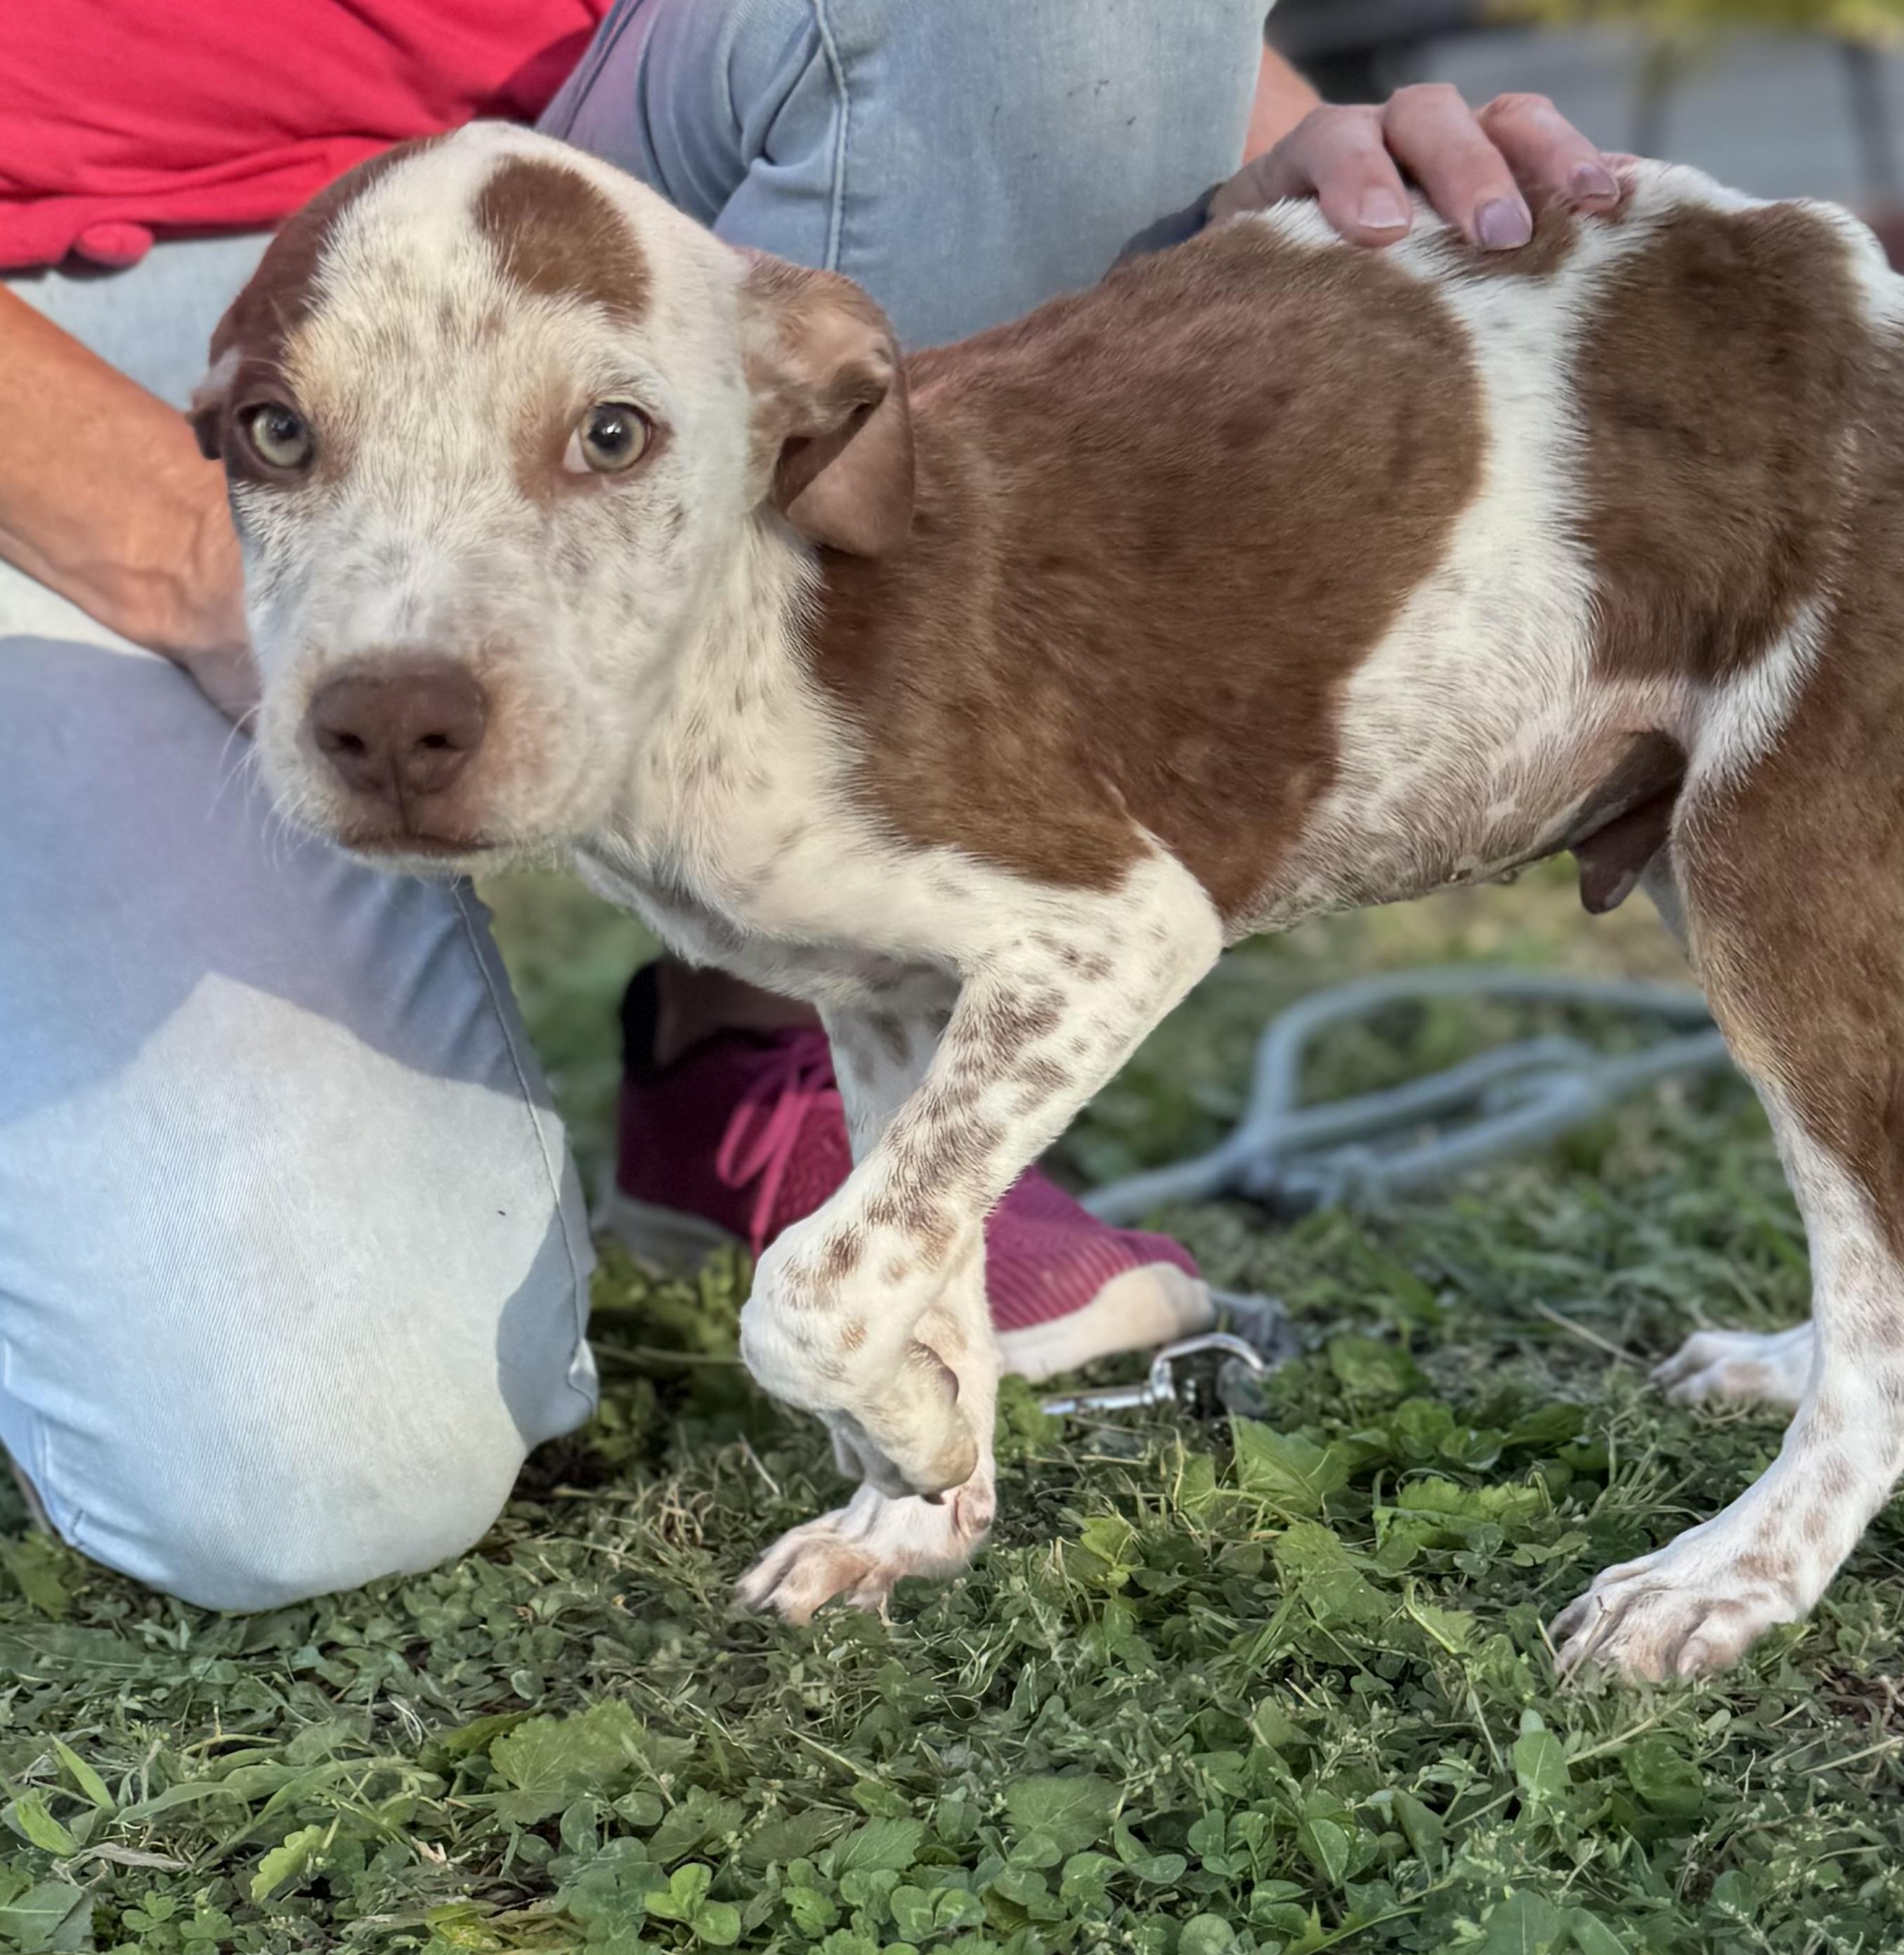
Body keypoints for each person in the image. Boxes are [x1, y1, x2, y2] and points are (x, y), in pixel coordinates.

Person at [0, 0, 1626, 1611]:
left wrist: (1272, 143)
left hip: (607, 195)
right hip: (61, 344)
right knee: (314, 1474)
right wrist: (234, 567)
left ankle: (776, 1022)